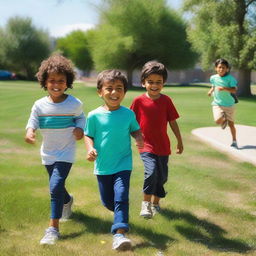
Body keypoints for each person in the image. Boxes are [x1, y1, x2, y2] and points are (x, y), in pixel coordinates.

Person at [25, 54, 86, 245]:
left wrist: (80, 129)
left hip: (66, 152)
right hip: (48, 152)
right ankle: (67, 201)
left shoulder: (74, 104)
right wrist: (30, 132)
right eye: (52, 80)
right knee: (58, 186)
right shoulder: (39, 105)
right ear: (45, 82)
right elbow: (33, 120)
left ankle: (53, 229)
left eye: (61, 80)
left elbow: (82, 118)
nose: (57, 84)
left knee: (54, 186)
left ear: (68, 81)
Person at [84, 69, 143, 251]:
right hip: (103, 166)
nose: (114, 93)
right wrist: (90, 148)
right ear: (100, 92)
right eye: (109, 88)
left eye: (119, 88)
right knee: (108, 201)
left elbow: (135, 129)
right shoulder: (94, 115)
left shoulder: (128, 114)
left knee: (121, 195)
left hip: (123, 163)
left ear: (125, 91)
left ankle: (119, 234)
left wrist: (138, 137)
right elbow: (88, 135)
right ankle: (119, 212)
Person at [130, 60, 183, 219]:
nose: (154, 85)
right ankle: (145, 204)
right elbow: (131, 123)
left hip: (163, 146)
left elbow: (173, 122)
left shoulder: (166, 101)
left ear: (163, 83)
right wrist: (135, 137)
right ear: (143, 83)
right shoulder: (138, 101)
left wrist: (179, 141)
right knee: (151, 172)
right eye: (150, 82)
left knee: (162, 177)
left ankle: (156, 203)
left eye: (158, 82)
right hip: (146, 145)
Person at [207, 58, 238, 148]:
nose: (221, 69)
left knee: (231, 124)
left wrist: (224, 88)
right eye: (219, 67)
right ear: (216, 68)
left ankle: (234, 141)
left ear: (227, 69)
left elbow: (234, 90)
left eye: (223, 67)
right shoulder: (213, 78)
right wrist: (210, 91)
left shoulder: (230, 79)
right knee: (217, 121)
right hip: (217, 103)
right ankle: (224, 120)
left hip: (229, 105)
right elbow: (214, 85)